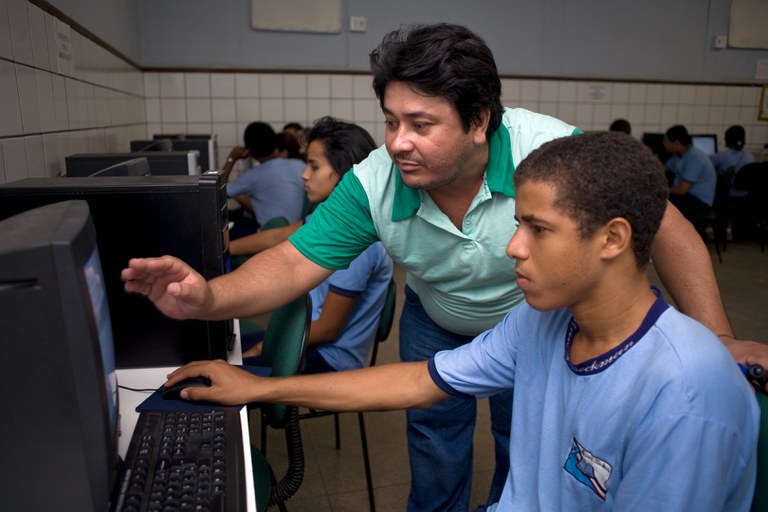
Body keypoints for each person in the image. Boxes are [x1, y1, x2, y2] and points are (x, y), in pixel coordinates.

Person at [122, 23, 768, 512]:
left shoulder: (551, 156)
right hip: (472, 324)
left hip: (537, 317)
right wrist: (207, 299)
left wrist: (712, 338)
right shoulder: (378, 182)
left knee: (536, 450)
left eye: (421, 123)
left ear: (481, 121)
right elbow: (297, 265)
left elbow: (665, 221)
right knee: (440, 452)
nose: (397, 140)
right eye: (391, 121)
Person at [235, 117, 394, 373]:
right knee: (218, 352)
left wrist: (264, 347)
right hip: (305, 338)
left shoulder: (358, 242)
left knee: (220, 372)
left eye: (314, 166)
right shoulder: (333, 218)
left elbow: (328, 329)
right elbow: (279, 235)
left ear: (345, 173)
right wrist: (227, 247)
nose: (304, 174)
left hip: (327, 358)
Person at [222, 121, 306, 238]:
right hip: (294, 232)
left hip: (268, 234)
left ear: (249, 150)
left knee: (222, 230)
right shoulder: (299, 165)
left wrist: (232, 158)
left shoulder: (253, 175)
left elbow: (218, 192)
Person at [710, 125, 756, 241]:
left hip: (728, 196)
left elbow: (707, 167)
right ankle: (729, 228)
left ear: (727, 140)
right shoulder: (751, 157)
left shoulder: (721, 156)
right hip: (746, 196)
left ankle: (709, 228)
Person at [663, 124, 718, 221]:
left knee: (663, 204)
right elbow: (663, 168)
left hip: (700, 202)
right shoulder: (679, 155)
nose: (664, 144)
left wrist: (663, 190)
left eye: (666, 142)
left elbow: (682, 190)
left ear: (676, 143)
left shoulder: (694, 158)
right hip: (689, 197)